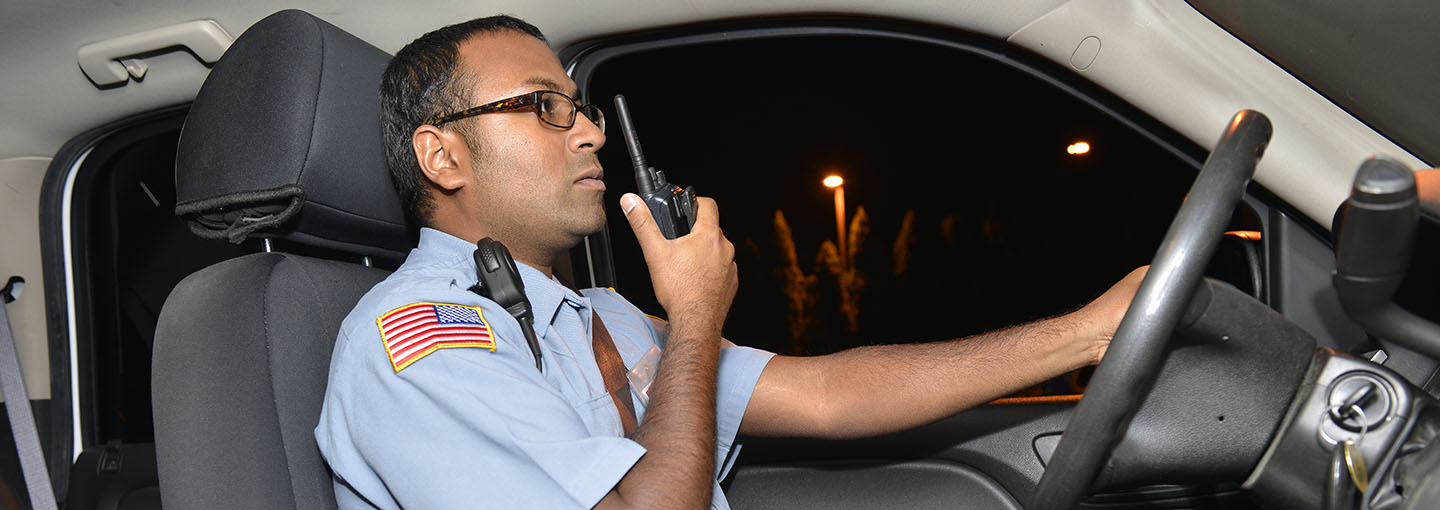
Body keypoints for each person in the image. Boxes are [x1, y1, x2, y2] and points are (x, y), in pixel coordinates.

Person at [314, 15, 1146, 510]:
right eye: (544, 107)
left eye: (582, 106)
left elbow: (826, 395)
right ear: (443, 157)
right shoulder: (417, 343)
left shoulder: (594, 312)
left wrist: (1085, 332)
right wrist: (698, 313)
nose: (591, 132)